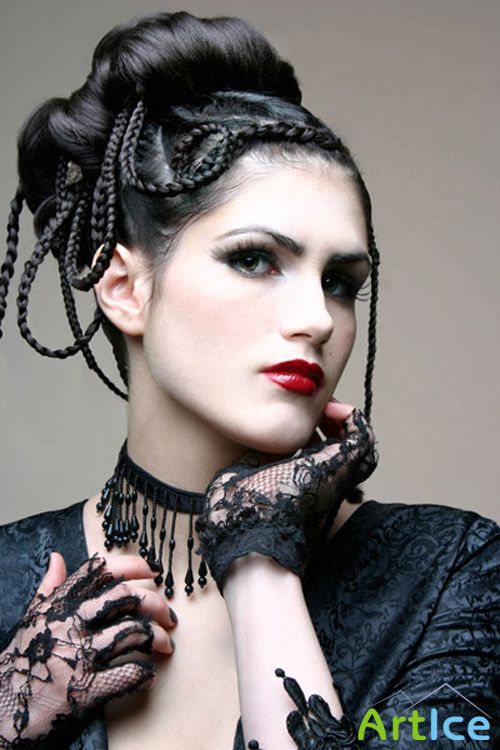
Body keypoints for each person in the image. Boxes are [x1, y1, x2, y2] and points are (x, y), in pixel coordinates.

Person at [0, 11, 497, 750]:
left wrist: (258, 556)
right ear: (126, 289)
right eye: (255, 259)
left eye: (339, 281)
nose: (317, 319)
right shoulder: (10, 581)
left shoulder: (456, 575)